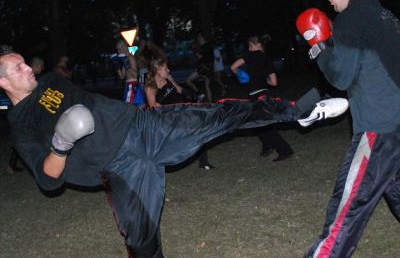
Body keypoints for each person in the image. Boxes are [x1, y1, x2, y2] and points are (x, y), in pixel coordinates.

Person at [0, 45, 334, 258]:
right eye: (18, 68)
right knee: (142, 244)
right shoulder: (21, 126)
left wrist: (130, 54)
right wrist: (61, 143)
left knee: (219, 115)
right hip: (120, 168)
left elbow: (126, 76)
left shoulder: (50, 81)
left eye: (24, 63)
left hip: (142, 126)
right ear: (2, 82)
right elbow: (49, 181)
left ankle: (298, 112)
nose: (28, 68)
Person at [297, 0, 400, 258]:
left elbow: (341, 76)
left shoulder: (352, 17)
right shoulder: (387, 17)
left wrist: (319, 49)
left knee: (347, 210)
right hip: (396, 125)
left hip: (378, 127)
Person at [231, 34, 294, 161]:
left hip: (255, 95)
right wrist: (262, 80)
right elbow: (274, 82)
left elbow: (233, 67)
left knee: (264, 124)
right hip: (264, 93)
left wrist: (241, 75)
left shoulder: (249, 56)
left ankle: (285, 150)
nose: (249, 48)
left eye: (251, 45)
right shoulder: (267, 58)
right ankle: (267, 146)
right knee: (259, 122)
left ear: (258, 45)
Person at [145, 58, 215, 170]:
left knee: (199, 131)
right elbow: (153, 106)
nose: (168, 70)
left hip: (182, 111)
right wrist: (163, 106)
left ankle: (204, 162)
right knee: (174, 142)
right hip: (169, 117)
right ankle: (162, 165)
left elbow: (178, 89)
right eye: (165, 68)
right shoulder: (151, 87)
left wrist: (190, 95)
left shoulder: (168, 78)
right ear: (158, 70)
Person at [112, 39, 145, 107]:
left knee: (129, 107)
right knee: (130, 108)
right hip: (128, 86)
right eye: (117, 50)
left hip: (133, 85)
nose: (118, 52)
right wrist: (117, 65)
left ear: (124, 47)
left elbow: (135, 75)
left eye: (119, 49)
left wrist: (127, 64)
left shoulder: (130, 57)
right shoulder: (125, 58)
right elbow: (122, 76)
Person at [186, 33, 214, 102]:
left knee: (188, 81)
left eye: (200, 38)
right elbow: (207, 58)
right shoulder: (209, 47)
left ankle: (199, 94)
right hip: (208, 69)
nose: (199, 40)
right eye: (198, 38)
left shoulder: (204, 47)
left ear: (203, 39)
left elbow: (200, 57)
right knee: (207, 86)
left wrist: (194, 50)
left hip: (203, 69)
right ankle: (211, 103)